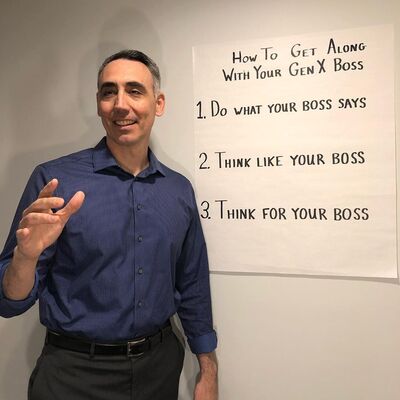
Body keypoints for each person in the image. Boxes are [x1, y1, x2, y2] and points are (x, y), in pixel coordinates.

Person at [0, 49, 218, 400]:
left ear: (158, 103)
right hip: (73, 377)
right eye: (108, 92)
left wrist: (208, 370)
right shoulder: (55, 182)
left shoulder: (178, 190)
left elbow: (192, 284)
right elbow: (8, 302)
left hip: (158, 370)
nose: (120, 104)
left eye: (134, 90)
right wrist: (25, 257)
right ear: (99, 104)